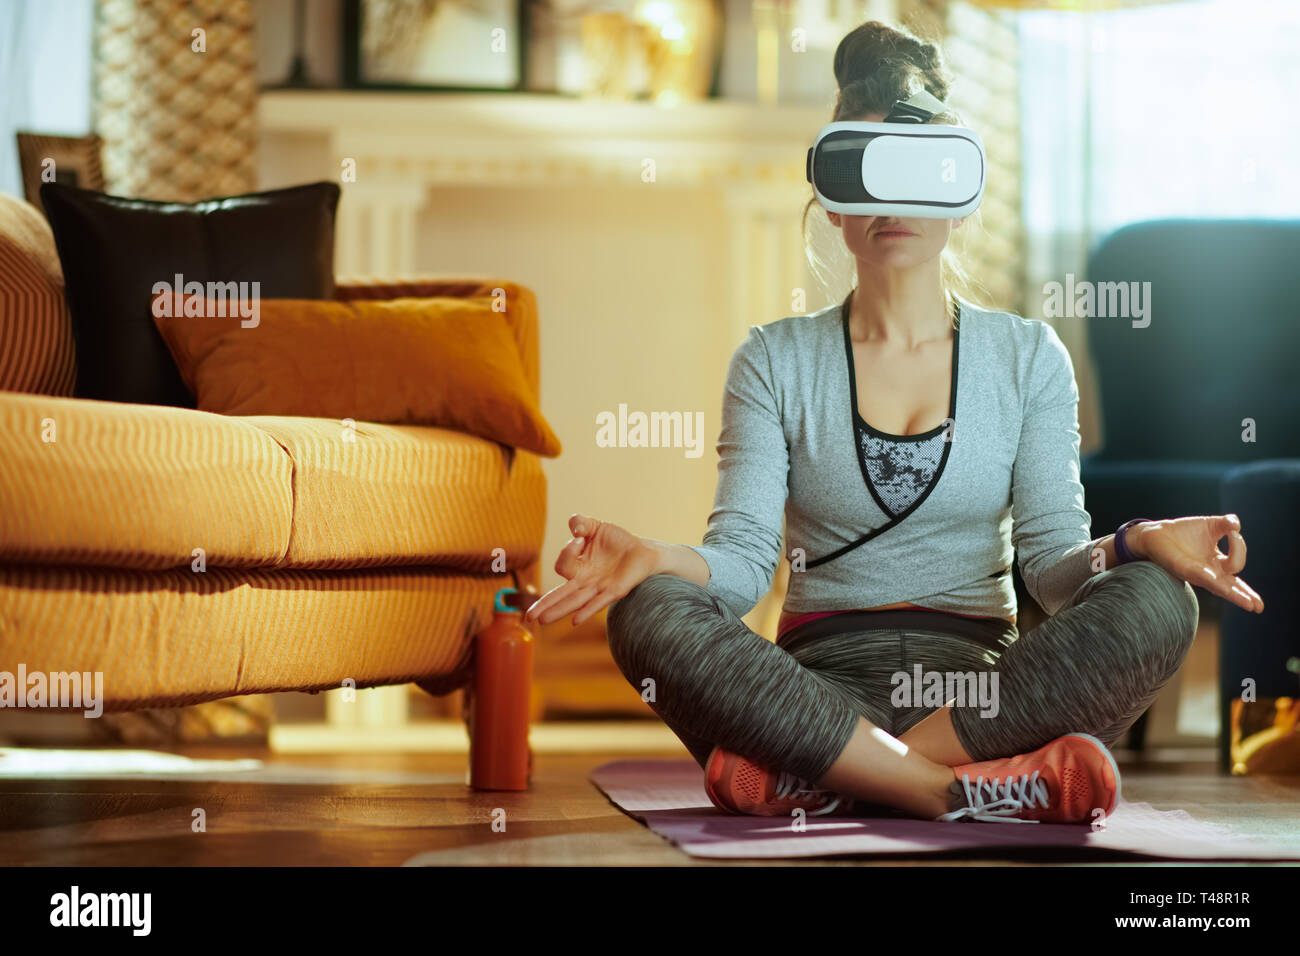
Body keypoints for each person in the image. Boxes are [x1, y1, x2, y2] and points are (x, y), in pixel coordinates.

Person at [525, 20, 1263, 825]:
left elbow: (1053, 570)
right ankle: (958, 789)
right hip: (812, 685)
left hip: (982, 693)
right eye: (862, 171)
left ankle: (833, 774)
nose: (892, 200)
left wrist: (1138, 542)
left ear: (961, 193)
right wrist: (655, 557)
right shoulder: (773, 360)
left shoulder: (1028, 358)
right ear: (832, 207)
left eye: (919, 171)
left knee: (1161, 600)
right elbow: (739, 566)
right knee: (647, 610)